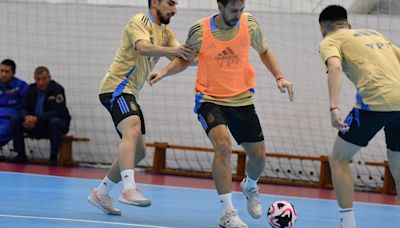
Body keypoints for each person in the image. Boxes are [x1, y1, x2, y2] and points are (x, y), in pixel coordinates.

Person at [148, 0, 294, 226]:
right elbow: (185, 60)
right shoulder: (200, 30)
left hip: (242, 99)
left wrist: (279, 76)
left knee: (258, 157)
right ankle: (228, 213)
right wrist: (164, 72)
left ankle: (250, 185)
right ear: (220, 6)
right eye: (234, 10)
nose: (238, 14)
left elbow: (264, 50)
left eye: (241, 10)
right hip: (209, 98)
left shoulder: (249, 24)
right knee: (224, 146)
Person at [87, 0, 193, 216]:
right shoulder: (140, 20)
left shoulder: (166, 31)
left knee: (139, 152)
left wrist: (205, 57)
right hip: (116, 88)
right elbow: (142, 47)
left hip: (130, 93)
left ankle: (101, 192)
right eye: (170, 3)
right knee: (133, 128)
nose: (174, 10)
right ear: (155, 2)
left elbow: (182, 56)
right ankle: (128, 189)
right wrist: (173, 50)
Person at [318, 5, 400, 228]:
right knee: (397, 160)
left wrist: (333, 108)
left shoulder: (329, 41)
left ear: (322, 30)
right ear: (349, 25)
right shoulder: (374, 34)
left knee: (339, 158)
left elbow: (334, 67)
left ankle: (347, 222)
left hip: (375, 101)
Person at [10, 66, 71, 165]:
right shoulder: (31, 89)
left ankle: (53, 157)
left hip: (52, 124)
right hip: (34, 124)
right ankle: (20, 155)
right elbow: (23, 108)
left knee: (55, 122)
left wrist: (38, 119)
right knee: (15, 120)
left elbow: (59, 111)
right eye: (38, 79)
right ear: (35, 79)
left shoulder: (57, 89)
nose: (41, 82)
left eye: (44, 79)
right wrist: (27, 118)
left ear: (49, 78)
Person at [0, 59, 28, 148]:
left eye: (7, 71)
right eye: (1, 71)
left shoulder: (21, 86)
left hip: (10, 121)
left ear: (13, 72)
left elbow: (26, 107)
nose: (3, 74)